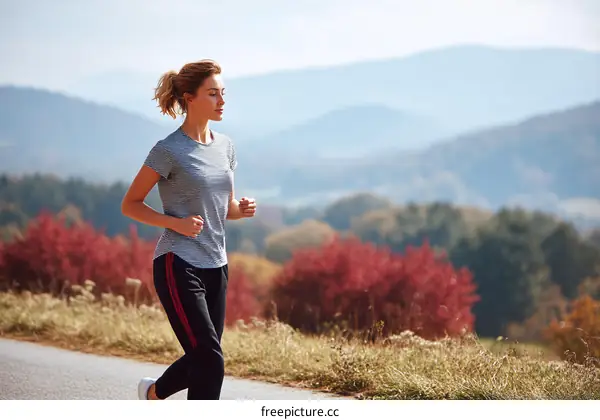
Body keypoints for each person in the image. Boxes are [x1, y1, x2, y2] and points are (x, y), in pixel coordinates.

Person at [120, 59, 257, 400]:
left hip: (217, 263)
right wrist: (175, 223)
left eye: (223, 93)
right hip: (177, 262)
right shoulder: (168, 150)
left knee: (205, 359)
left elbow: (222, 209)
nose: (221, 101)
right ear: (189, 97)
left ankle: (153, 394)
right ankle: (153, 394)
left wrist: (241, 209)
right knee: (210, 360)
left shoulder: (226, 146)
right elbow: (131, 204)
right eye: (213, 94)